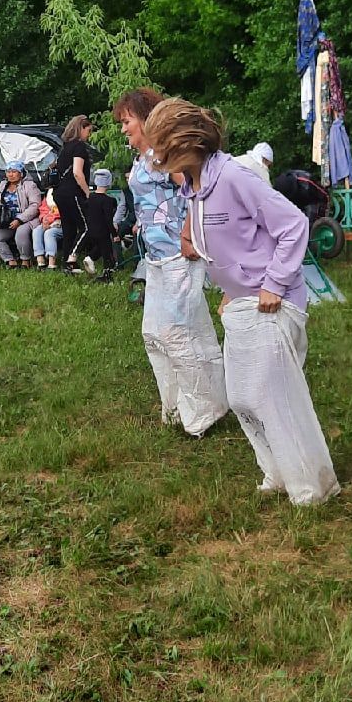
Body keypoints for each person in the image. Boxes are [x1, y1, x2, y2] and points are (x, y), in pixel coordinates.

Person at [145, 98, 337, 501]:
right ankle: (278, 473)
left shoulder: (236, 177)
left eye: (160, 145)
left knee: (275, 396)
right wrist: (232, 292)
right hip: (242, 303)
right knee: (244, 397)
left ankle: (311, 486)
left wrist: (273, 284)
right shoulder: (196, 187)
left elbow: (292, 226)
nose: (155, 155)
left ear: (185, 142)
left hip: (274, 302)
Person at [114, 88, 228, 433]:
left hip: (179, 257)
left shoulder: (166, 157)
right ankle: (176, 406)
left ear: (146, 118)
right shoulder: (142, 159)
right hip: (156, 260)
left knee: (179, 333)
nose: (123, 129)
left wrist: (189, 232)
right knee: (154, 333)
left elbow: (199, 188)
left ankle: (204, 411)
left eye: (127, 121)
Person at [52, 114, 95, 273]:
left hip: (59, 192)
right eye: (88, 131)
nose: (89, 135)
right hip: (73, 192)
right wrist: (87, 192)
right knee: (87, 226)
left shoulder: (65, 147)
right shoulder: (78, 147)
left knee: (68, 227)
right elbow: (77, 172)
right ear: (81, 128)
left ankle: (67, 264)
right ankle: (72, 257)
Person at [0, 161, 41, 267]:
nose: (10, 174)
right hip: (7, 220)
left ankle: (26, 259)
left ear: (21, 173)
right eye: (8, 172)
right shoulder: (3, 185)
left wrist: (19, 219)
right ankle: (9, 259)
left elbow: (35, 206)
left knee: (21, 233)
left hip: (26, 219)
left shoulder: (30, 185)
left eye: (14, 172)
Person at [79, 169, 118, 281]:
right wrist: (114, 234)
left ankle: (93, 260)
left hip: (91, 230)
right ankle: (107, 272)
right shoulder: (108, 201)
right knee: (106, 251)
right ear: (109, 182)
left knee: (102, 248)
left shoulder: (90, 198)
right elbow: (108, 219)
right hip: (103, 231)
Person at [31, 191, 63, 269]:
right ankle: (40, 261)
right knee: (37, 231)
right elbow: (43, 209)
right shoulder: (49, 193)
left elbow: (64, 211)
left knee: (49, 233)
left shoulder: (66, 192)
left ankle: (52, 262)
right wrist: (44, 219)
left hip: (62, 223)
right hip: (48, 221)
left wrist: (51, 220)